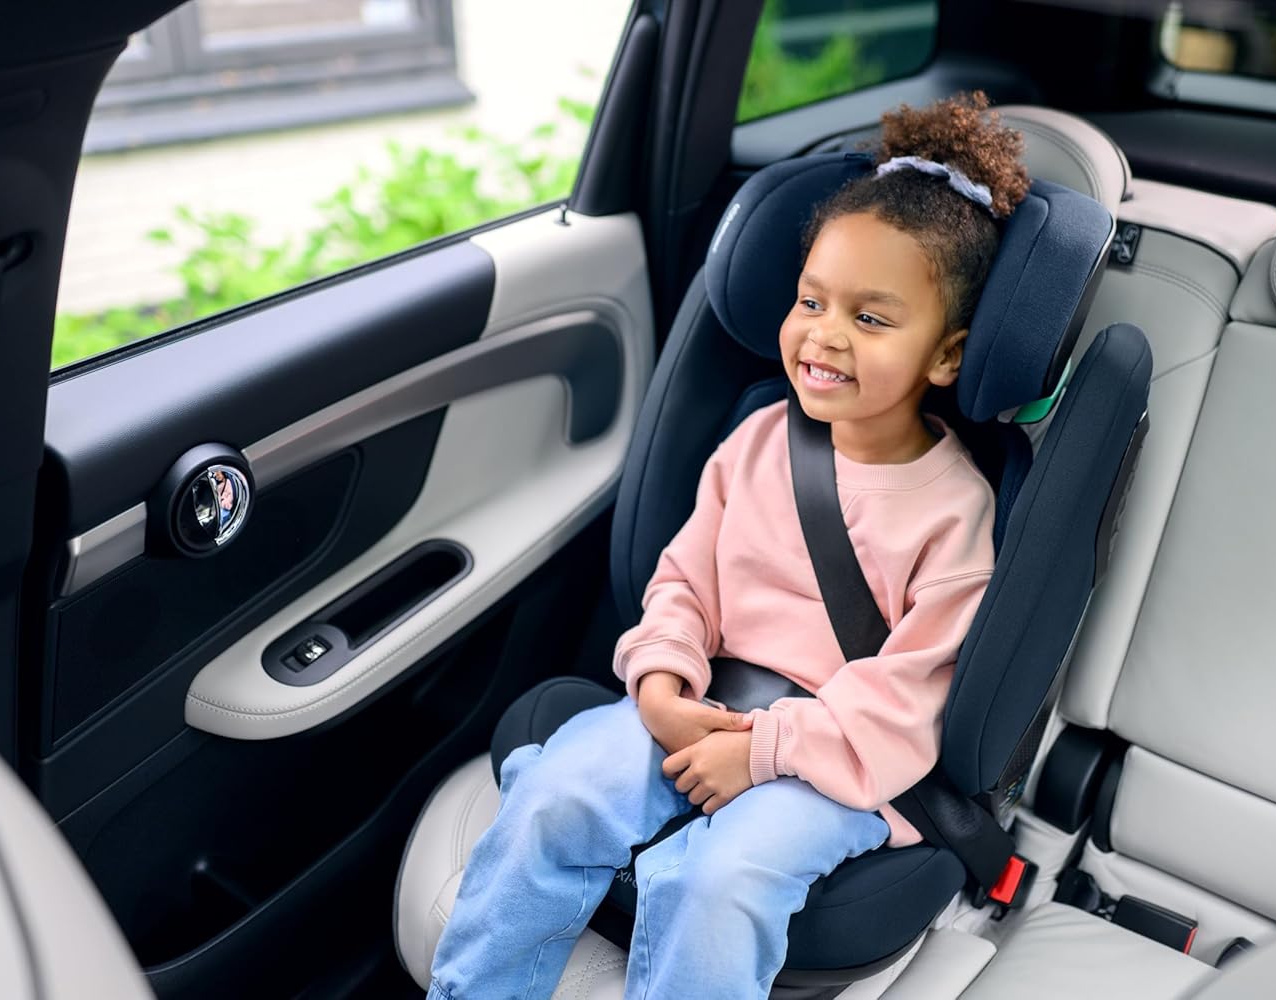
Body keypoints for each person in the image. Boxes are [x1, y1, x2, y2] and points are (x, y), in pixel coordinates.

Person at [428, 91, 1030, 1000]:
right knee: (556, 794)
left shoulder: (955, 513)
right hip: (697, 704)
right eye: (810, 301)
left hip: (835, 766)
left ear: (945, 357)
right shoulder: (757, 442)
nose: (824, 333)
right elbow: (684, 582)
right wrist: (663, 687)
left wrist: (759, 752)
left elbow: (906, 703)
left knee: (719, 881)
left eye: (871, 319)